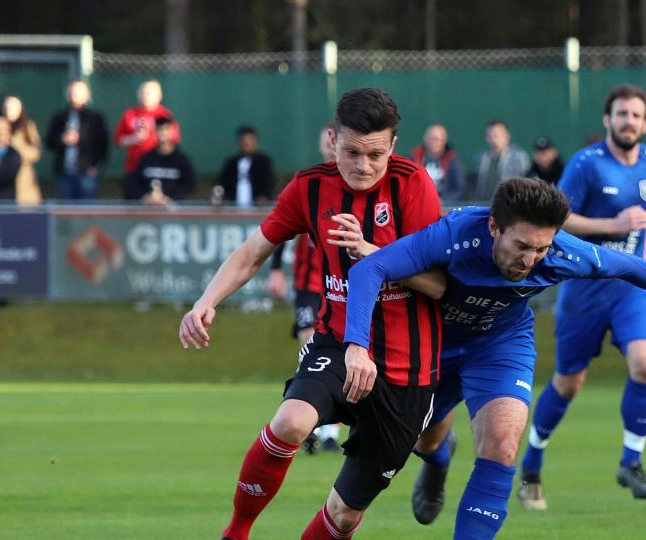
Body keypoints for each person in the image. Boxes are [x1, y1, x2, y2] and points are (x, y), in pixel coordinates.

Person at [343, 178, 646, 539]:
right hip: (434, 344)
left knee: (503, 442)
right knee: (427, 442)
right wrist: (357, 346)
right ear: (495, 227)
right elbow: (370, 268)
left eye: (542, 248)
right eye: (522, 246)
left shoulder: (562, 253)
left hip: (500, 345)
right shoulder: (454, 236)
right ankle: (438, 460)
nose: (531, 259)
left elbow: (630, 266)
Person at [178, 88, 447, 540]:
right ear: (332, 138)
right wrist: (206, 302)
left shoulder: (413, 184)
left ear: (394, 147)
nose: (363, 166)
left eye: (376, 154)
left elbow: (440, 285)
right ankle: (236, 531)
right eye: (352, 152)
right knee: (290, 421)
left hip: (407, 370)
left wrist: (372, 255)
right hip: (337, 345)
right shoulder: (310, 187)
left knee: (344, 515)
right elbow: (252, 253)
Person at [520, 84, 646, 507]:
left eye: (637, 115)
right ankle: (531, 463)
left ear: (645, 123)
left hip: (630, 288)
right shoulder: (587, 164)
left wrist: (645, 241)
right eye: (622, 113)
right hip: (585, 290)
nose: (629, 121)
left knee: (645, 365)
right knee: (568, 383)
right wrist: (614, 226)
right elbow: (559, 219)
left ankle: (631, 461)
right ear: (608, 119)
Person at [268, 121, 339, 454]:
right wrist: (276, 270)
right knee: (310, 345)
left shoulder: (355, 187)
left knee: (339, 353)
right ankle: (309, 417)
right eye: (326, 140)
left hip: (339, 286)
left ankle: (327, 432)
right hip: (309, 284)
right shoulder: (308, 184)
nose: (330, 145)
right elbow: (280, 230)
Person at [45, 80, 110, 201]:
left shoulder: (95, 118)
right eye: (72, 93)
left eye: (78, 93)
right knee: (66, 213)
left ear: (87, 96)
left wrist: (96, 167)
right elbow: (49, 142)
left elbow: (103, 146)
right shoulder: (60, 117)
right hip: (64, 174)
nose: (74, 96)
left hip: (87, 174)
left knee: (85, 213)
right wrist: (62, 139)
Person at [114, 79, 182, 173]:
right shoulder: (130, 114)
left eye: (149, 93)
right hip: (134, 167)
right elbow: (118, 140)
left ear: (159, 96)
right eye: (142, 92)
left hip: (158, 168)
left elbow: (174, 140)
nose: (145, 96)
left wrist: (154, 138)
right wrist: (135, 138)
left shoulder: (165, 115)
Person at [124, 116, 195, 204]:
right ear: (154, 132)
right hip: (148, 209)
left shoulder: (181, 160)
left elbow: (189, 184)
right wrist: (144, 197)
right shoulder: (146, 158)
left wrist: (170, 199)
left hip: (173, 210)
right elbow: (133, 183)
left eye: (166, 129)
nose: (162, 133)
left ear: (172, 131)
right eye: (159, 129)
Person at [467, 120, 530, 202]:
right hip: (483, 205)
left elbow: (526, 184)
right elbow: (472, 184)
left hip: (509, 206)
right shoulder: (481, 157)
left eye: (497, 134)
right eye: (490, 134)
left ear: (507, 135)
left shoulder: (519, 158)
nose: (494, 137)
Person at [217, 126, 275, 207]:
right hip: (233, 205)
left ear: (255, 142)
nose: (246, 143)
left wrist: (263, 197)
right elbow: (223, 184)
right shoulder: (231, 163)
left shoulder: (264, 162)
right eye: (243, 140)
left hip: (257, 206)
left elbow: (269, 183)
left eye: (250, 140)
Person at [0, 95, 42, 205]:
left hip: (23, 181)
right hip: (0, 179)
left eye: (13, 108)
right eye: (7, 108)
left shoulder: (27, 127)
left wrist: (15, 146)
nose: (10, 111)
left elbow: (35, 153)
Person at [410, 124, 464, 203]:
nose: (434, 143)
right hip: (418, 203)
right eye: (431, 139)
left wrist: (443, 201)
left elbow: (458, 188)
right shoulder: (414, 158)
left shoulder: (452, 160)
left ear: (444, 141)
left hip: (444, 205)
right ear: (425, 139)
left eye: (437, 139)